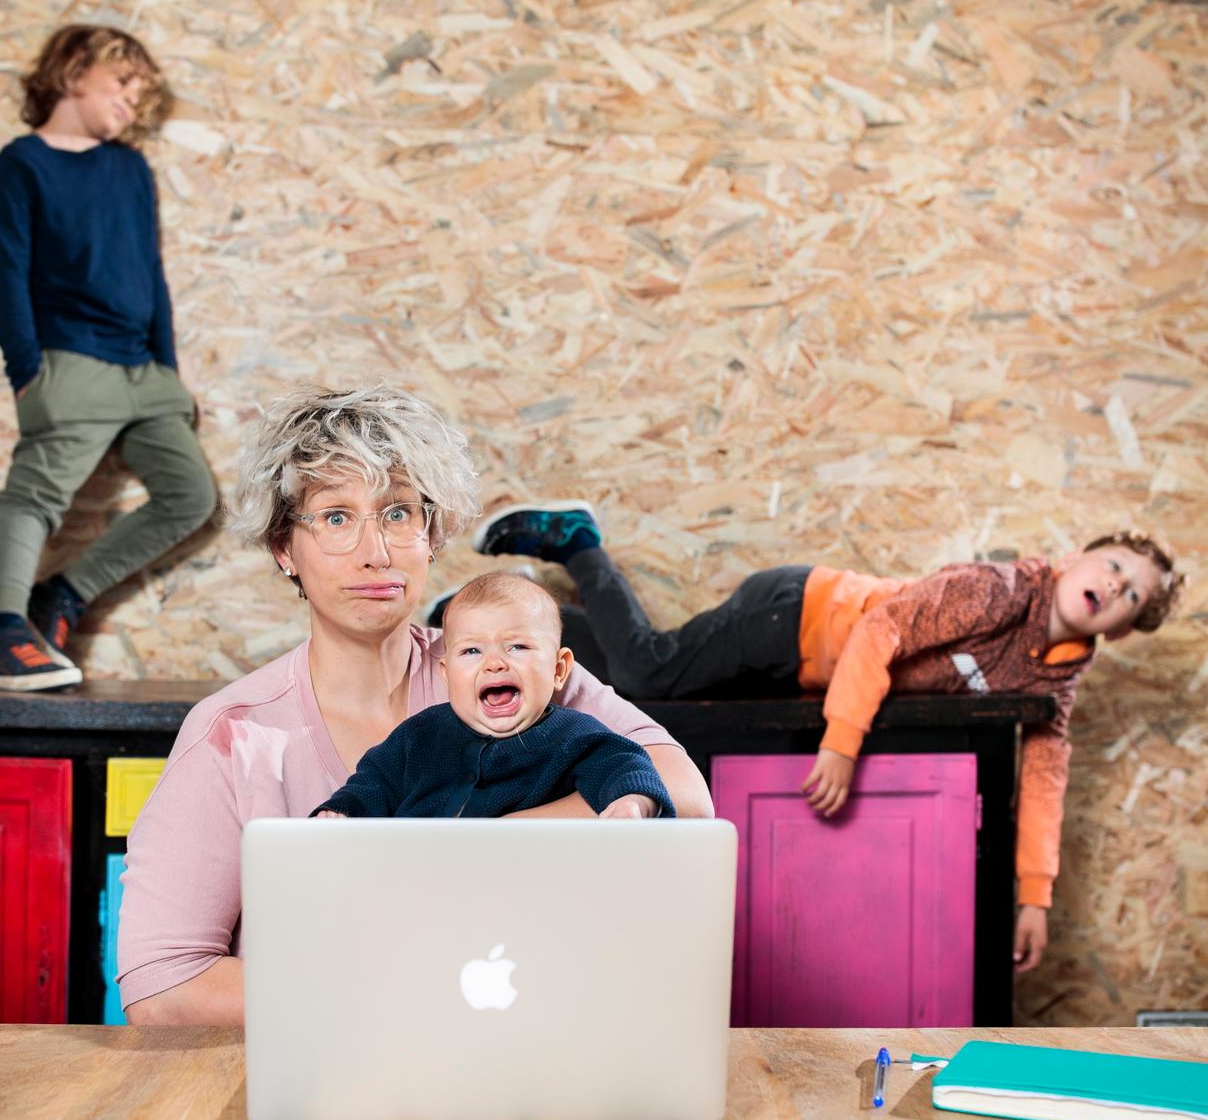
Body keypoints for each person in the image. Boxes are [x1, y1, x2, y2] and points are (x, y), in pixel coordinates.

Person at [117, 387, 711, 1025]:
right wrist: (405, 988)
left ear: (431, 535)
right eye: (337, 518)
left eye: (398, 513)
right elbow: (163, 987)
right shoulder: (232, 734)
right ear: (284, 550)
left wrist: (474, 843)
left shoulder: (503, 666)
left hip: (522, 1044)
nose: (376, 551)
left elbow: (686, 794)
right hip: (323, 1076)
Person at [471, 503, 1185, 973]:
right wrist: (841, 744)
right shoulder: (1002, 589)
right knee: (648, 668)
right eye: (1114, 568)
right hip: (801, 612)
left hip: (811, 667)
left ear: (1121, 629)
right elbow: (885, 629)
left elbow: (1044, 774)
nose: (1115, 587)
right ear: (1075, 557)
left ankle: (539, 628)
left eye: (1132, 598)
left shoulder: (1054, 678)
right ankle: (580, 544)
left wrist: (1034, 896)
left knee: (654, 690)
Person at [0, 24, 216, 691]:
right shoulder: (23, 165)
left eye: (141, 92)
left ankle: (62, 597)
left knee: (191, 494)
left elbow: (150, 272)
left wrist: (168, 370)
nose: (132, 101)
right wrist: (27, 373)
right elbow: (8, 276)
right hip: (71, 360)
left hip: (144, 371)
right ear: (75, 73)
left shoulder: (130, 167)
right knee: (35, 497)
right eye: (122, 83)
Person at [314, 571, 675, 820]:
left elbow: (626, 767)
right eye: (472, 652)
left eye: (517, 646)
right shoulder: (419, 737)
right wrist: (341, 811)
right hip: (424, 890)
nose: (494, 664)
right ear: (447, 675)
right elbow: (372, 786)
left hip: (528, 893)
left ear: (558, 669)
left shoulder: (574, 737)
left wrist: (633, 803)